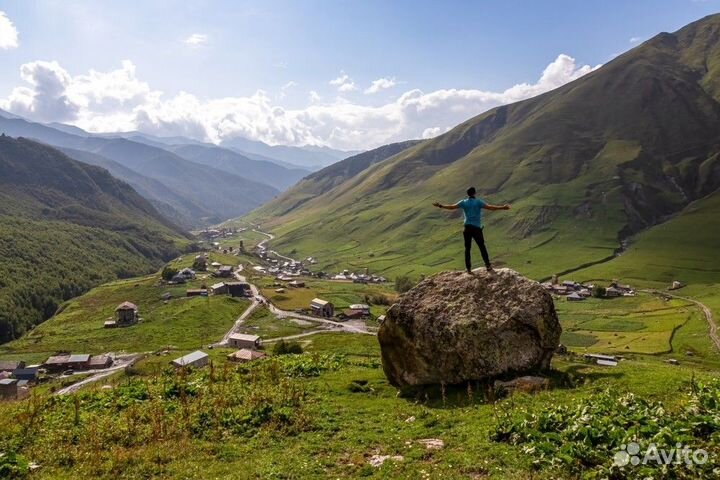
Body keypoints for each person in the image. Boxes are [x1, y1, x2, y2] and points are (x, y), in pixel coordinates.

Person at [433, 187, 511, 273]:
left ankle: (468, 268)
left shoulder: (463, 202)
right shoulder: (478, 202)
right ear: (474, 193)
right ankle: (488, 266)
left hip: (467, 228)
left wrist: (440, 205)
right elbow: (490, 207)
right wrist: (503, 207)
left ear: (468, 194)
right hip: (476, 228)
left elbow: (452, 207)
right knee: (482, 247)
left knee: (467, 248)